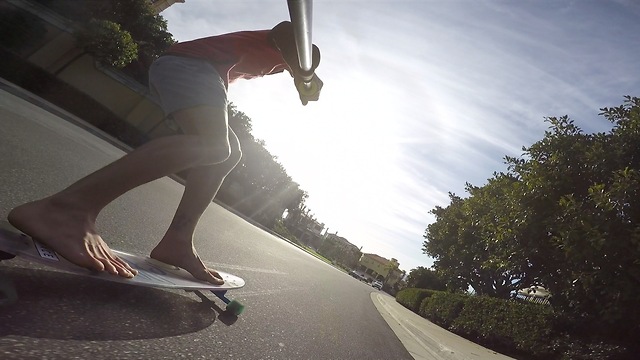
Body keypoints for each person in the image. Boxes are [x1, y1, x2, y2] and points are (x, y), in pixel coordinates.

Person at [7, 21, 323, 285]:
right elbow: (287, 33)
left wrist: (296, 73)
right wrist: (302, 68)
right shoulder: (285, 38)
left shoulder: (275, 62)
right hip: (189, 66)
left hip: (196, 73)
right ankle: (66, 210)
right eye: (293, 62)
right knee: (213, 144)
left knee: (227, 154)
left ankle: (178, 242)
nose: (284, 71)